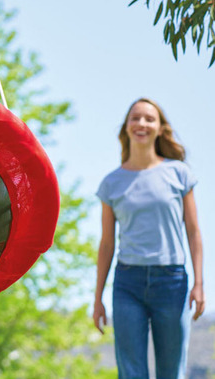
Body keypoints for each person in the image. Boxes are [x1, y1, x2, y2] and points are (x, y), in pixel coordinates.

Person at [93, 97, 205, 379]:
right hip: (127, 284)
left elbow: (193, 231)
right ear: (126, 127)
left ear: (160, 128)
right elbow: (107, 244)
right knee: (131, 373)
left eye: (149, 118)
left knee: (171, 372)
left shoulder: (179, 174)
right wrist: (98, 298)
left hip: (172, 281)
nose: (141, 123)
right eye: (136, 118)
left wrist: (199, 283)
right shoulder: (111, 183)